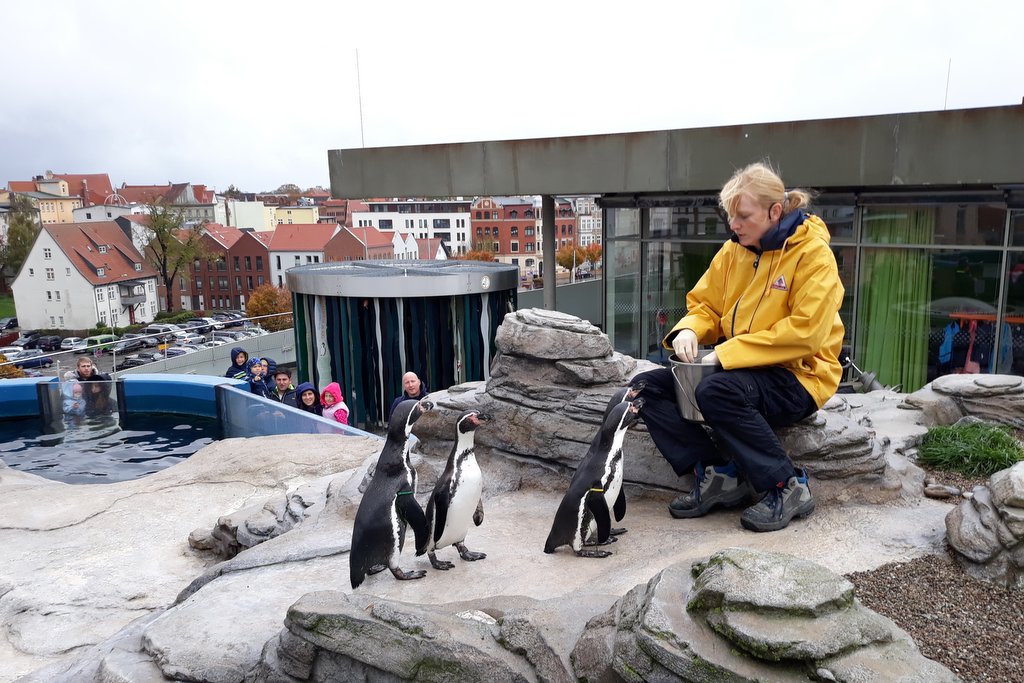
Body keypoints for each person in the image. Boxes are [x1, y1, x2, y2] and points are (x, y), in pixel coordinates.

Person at [632, 161, 845, 533]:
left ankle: (787, 485)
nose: (734, 225)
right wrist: (690, 330)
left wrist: (726, 354)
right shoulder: (735, 251)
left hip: (800, 375)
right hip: (744, 369)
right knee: (646, 387)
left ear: (774, 211)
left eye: (743, 216)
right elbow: (706, 306)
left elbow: (806, 333)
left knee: (717, 391)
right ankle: (719, 475)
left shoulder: (814, 255)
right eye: (731, 216)